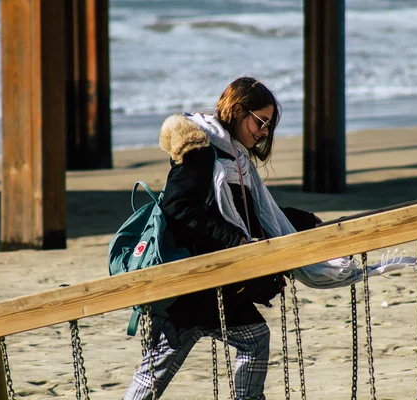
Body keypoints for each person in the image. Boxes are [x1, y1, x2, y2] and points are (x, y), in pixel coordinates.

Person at [124, 77, 321, 400]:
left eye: (269, 125)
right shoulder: (201, 152)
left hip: (218, 287)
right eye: (261, 121)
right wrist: (234, 240)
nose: (265, 132)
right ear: (237, 110)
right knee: (156, 373)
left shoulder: (234, 159)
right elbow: (176, 206)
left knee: (253, 339)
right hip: (192, 287)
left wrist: (303, 220)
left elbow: (252, 214)